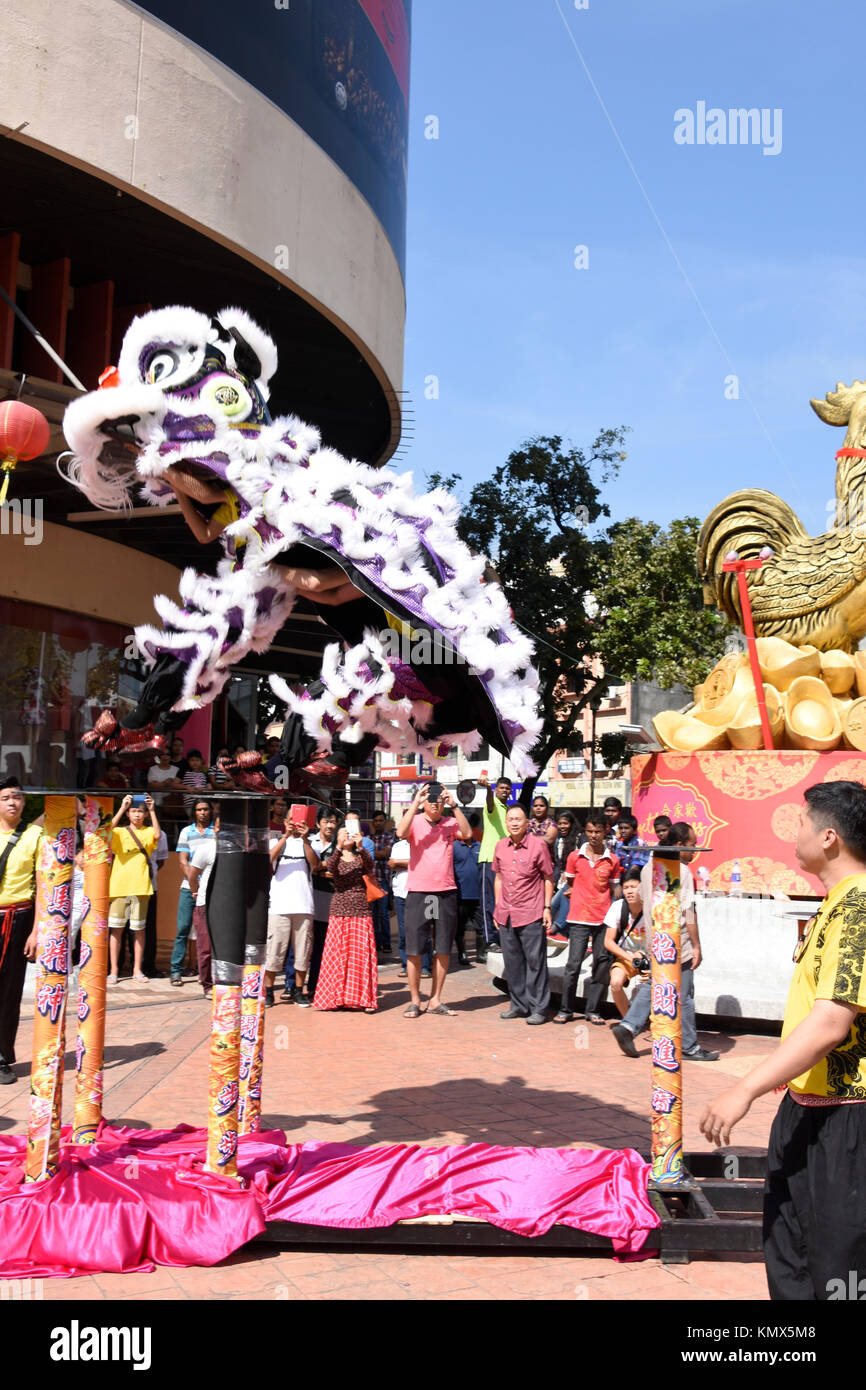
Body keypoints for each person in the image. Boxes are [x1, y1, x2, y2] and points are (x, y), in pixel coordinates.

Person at [700, 781, 866, 1301]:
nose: (794, 833)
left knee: (839, 1267)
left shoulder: (860, 909)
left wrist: (743, 1088)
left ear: (830, 837)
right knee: (789, 1254)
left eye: (801, 822)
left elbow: (831, 1023)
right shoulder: (835, 904)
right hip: (806, 1107)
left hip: (850, 1117)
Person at [610, 821, 718, 1062]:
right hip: (679, 940)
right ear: (679, 845)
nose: (694, 851)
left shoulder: (649, 867)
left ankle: (628, 1026)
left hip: (656, 939)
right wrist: (697, 945)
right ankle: (689, 1046)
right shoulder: (683, 871)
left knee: (657, 984)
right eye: (692, 845)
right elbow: (688, 911)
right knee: (685, 994)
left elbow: (640, 900)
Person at [396, 781, 473, 1018]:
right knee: (415, 949)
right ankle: (415, 1000)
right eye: (431, 798)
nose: (435, 802)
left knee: (442, 948)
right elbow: (400, 833)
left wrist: (455, 806)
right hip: (419, 891)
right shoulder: (416, 820)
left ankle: (435, 999)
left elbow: (468, 834)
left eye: (438, 798)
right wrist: (416, 803)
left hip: (445, 891)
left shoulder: (450, 823)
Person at [554, 808, 622, 1025]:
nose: (594, 836)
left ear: (606, 832)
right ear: (586, 832)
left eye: (598, 832)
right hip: (578, 919)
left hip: (603, 920)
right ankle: (566, 1009)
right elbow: (571, 884)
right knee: (573, 965)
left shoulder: (613, 860)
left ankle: (593, 1010)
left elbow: (614, 889)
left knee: (601, 965)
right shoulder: (575, 857)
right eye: (590, 831)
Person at [493, 804, 554, 1024]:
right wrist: (497, 907)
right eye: (510, 819)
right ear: (506, 823)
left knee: (535, 962)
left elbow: (548, 877)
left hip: (531, 912)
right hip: (506, 913)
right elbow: (498, 879)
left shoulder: (538, 846)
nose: (514, 823)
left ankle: (539, 1008)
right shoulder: (500, 846)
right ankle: (518, 1005)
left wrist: (547, 907)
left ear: (527, 822)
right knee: (513, 963)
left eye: (518, 819)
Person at [0, 779, 42, 1084]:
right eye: (5, 798)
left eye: (17, 797)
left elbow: (44, 885)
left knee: (9, 992)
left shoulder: (34, 835)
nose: (12, 802)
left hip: (18, 919)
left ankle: (2, 1058)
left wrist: (36, 931)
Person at [313, 826, 377, 1012]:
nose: (347, 835)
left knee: (360, 956)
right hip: (339, 909)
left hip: (361, 909)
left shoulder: (361, 857)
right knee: (337, 956)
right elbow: (331, 867)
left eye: (350, 832)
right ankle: (336, 998)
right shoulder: (336, 857)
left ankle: (362, 999)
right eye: (343, 833)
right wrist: (339, 847)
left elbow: (370, 866)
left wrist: (361, 846)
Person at [264, 812, 319, 1007]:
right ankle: (269, 991)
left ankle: (298, 991)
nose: (295, 825)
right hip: (279, 905)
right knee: (274, 950)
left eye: (299, 822)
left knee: (302, 952)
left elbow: (315, 864)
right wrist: (285, 836)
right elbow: (268, 859)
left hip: (303, 905)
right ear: (286, 822)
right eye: (291, 821)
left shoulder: (309, 843)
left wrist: (305, 839)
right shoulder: (276, 841)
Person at [107, 793, 161, 983]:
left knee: (139, 930)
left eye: (140, 812)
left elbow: (157, 835)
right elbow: (106, 831)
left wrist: (153, 810)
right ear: (128, 814)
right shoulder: (120, 832)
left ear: (144, 814)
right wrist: (121, 807)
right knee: (116, 930)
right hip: (119, 886)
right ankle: (113, 970)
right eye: (134, 811)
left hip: (141, 887)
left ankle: (137, 969)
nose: (137, 815)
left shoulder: (147, 831)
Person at [170, 799, 215, 986]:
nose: (202, 812)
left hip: (211, 889)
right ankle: (176, 971)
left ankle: (206, 973)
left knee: (209, 932)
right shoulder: (186, 832)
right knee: (183, 928)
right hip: (189, 888)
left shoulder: (216, 832)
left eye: (205, 809)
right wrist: (194, 881)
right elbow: (182, 861)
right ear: (194, 812)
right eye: (199, 810)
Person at [602, 867, 648, 1016]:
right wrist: (631, 958)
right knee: (615, 983)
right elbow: (608, 941)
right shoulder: (617, 907)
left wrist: (652, 965)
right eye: (626, 887)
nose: (629, 891)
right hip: (627, 956)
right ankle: (628, 1020)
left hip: (651, 957)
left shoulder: (653, 909)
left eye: (633, 887)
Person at [389, 833, 431, 977]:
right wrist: (412, 862)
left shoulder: (425, 843)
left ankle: (425, 966)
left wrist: (403, 863)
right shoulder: (397, 845)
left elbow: (425, 863)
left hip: (422, 891)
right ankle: (406, 965)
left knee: (423, 929)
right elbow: (392, 864)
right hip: (400, 892)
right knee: (403, 931)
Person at [477, 774, 512, 953]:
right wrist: (489, 790)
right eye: (502, 788)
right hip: (489, 859)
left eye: (507, 789)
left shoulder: (509, 811)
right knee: (488, 902)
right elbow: (490, 803)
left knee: (502, 902)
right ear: (496, 789)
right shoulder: (492, 805)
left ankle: (500, 938)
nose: (505, 791)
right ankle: (489, 940)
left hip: (505, 863)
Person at [308, 805, 339, 998]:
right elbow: (311, 868)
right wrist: (321, 870)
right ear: (318, 823)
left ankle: (326, 987)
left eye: (333, 821)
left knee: (327, 947)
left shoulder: (340, 844)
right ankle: (307, 986)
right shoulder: (310, 842)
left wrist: (321, 869)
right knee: (310, 947)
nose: (330, 825)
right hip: (310, 899)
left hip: (332, 901)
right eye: (326, 821)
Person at [186, 830, 216, 998]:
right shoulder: (206, 848)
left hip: (228, 906)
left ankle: (223, 981)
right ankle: (207, 984)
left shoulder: (239, 848)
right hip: (205, 903)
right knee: (205, 947)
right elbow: (192, 875)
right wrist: (196, 892)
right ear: (216, 829)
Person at [453, 812, 485, 965]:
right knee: (460, 927)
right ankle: (461, 953)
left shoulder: (481, 846)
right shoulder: (454, 846)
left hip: (478, 894)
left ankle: (480, 953)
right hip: (460, 895)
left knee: (480, 926)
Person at [550, 811, 583, 935]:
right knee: (553, 904)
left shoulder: (579, 838)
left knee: (559, 900)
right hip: (561, 878)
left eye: (565, 823)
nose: (562, 826)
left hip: (575, 878)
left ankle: (557, 927)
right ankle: (553, 929)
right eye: (560, 824)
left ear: (571, 824)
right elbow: (558, 863)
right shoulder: (559, 840)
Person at [369, 809, 395, 955]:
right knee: (372, 914)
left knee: (384, 914)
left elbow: (386, 854)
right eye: (376, 821)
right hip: (371, 880)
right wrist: (376, 854)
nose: (378, 823)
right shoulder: (369, 837)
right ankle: (375, 942)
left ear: (385, 822)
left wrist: (371, 853)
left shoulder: (390, 837)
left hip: (383, 880)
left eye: (381, 820)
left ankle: (386, 943)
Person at [181, 749, 208, 814]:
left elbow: (210, 788)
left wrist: (203, 789)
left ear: (201, 761)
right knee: (194, 821)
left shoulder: (204, 774)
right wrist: (186, 787)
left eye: (197, 760)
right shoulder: (184, 772)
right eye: (192, 760)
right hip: (190, 804)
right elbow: (174, 784)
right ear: (188, 761)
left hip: (202, 803)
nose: (195, 762)